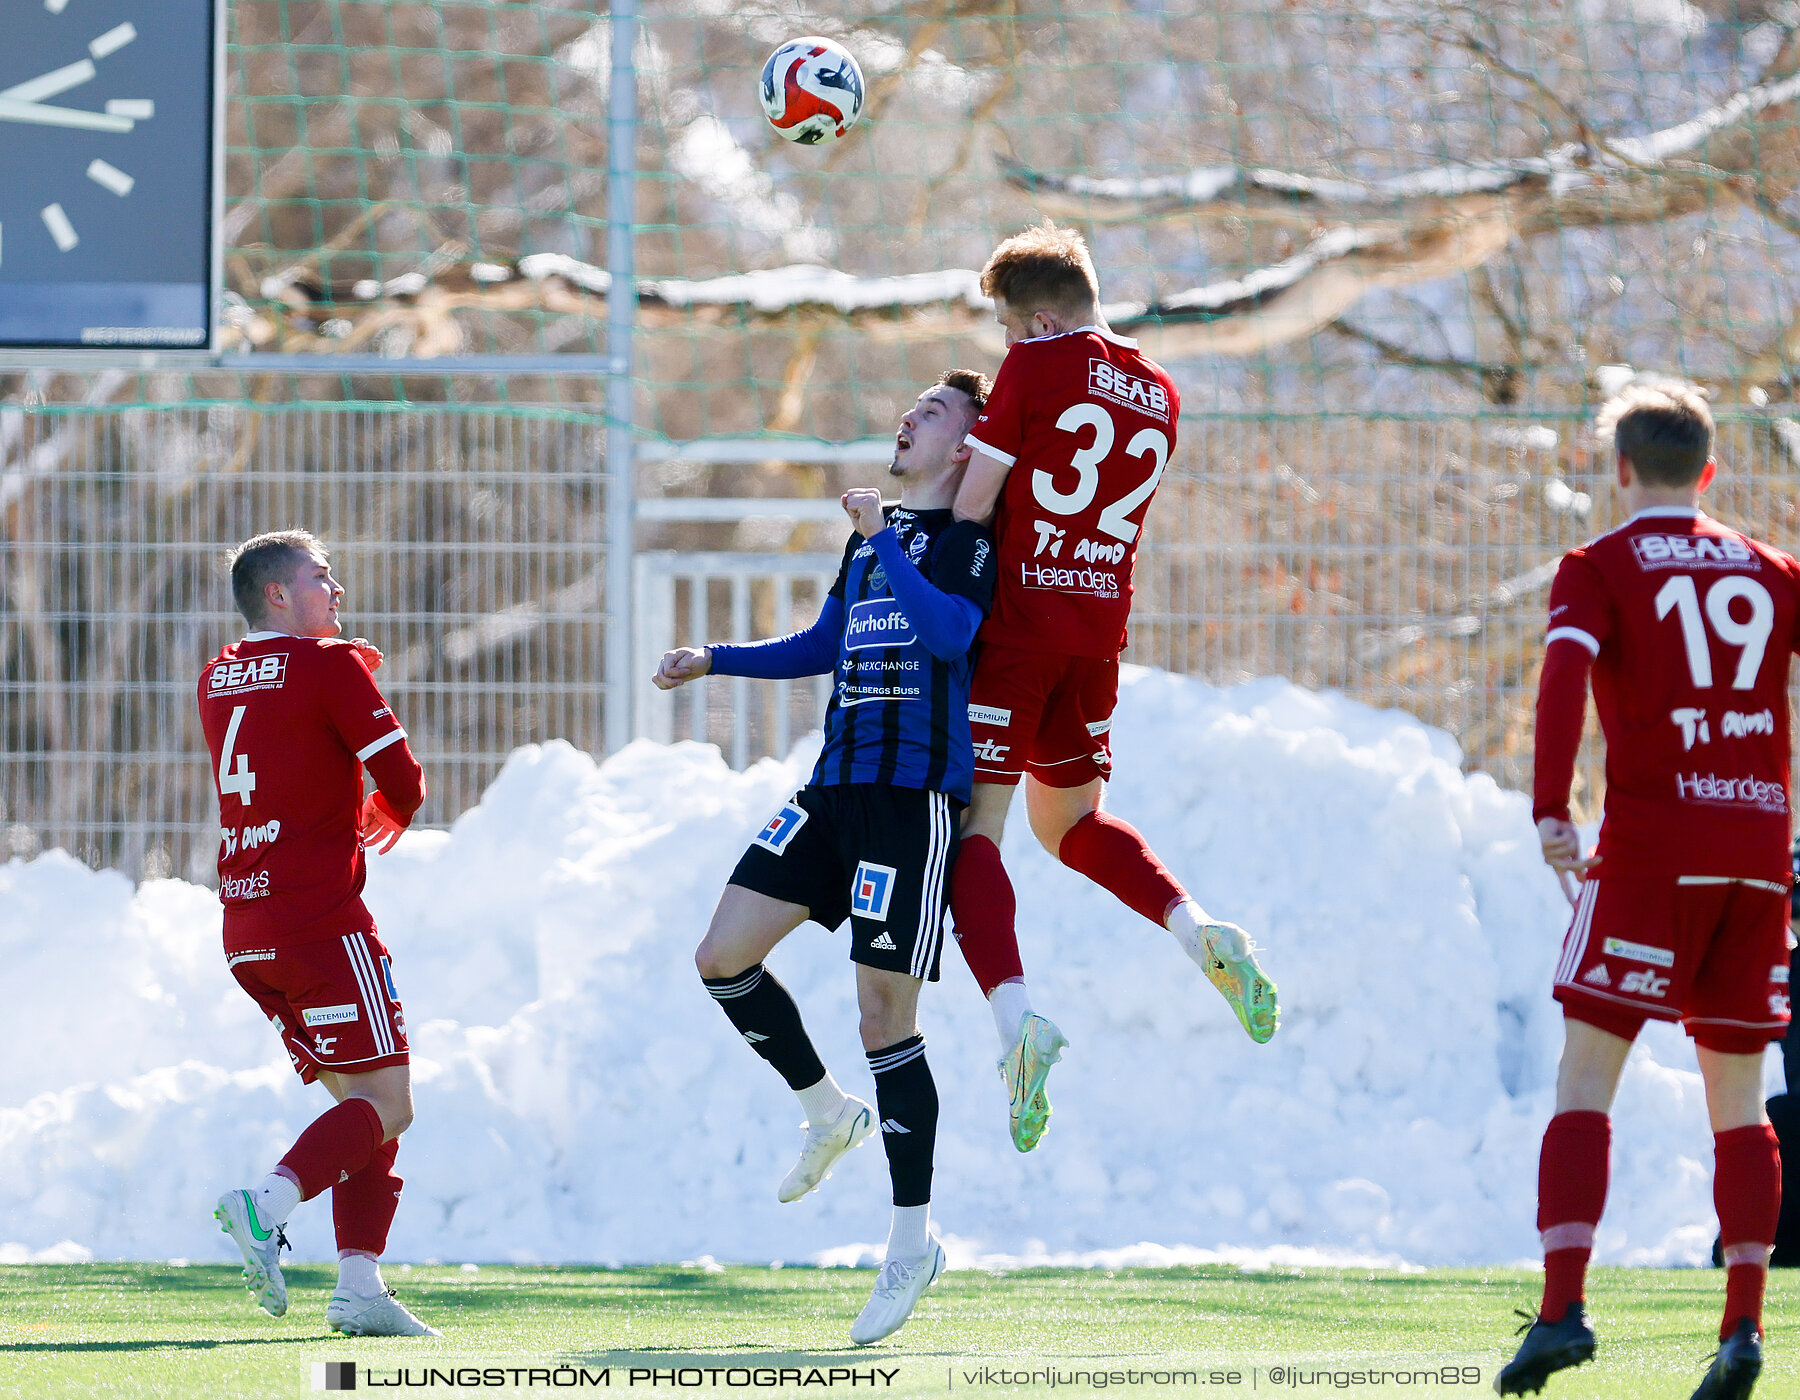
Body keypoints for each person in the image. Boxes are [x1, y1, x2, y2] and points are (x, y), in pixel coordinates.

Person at [655, 370, 997, 1346]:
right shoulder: (867, 535)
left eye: (934, 411)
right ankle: (825, 1107)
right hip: (832, 790)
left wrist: (886, 535)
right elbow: (826, 642)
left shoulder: (971, 541)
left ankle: (909, 1241)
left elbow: (948, 636)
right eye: (913, 405)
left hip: (910, 801)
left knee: (883, 1011)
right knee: (721, 954)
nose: (908, 416)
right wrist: (713, 657)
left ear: (967, 446)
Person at [948, 223, 1279, 1152]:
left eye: (1013, 330)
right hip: (1094, 635)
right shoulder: (1161, 391)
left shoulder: (1038, 366)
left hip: (1016, 631)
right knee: (1071, 825)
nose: (1008, 348)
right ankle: (1194, 925)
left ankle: (1017, 1027)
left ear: (1044, 319)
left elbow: (976, 502)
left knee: (978, 830)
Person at [1500, 384, 1792, 1399]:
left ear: (1619, 468)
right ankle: (1744, 1328)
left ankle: (1563, 1310)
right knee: (1741, 1104)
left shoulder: (1600, 566)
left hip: (1651, 849)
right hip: (1756, 851)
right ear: (1709, 471)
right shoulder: (1770, 569)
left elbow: (1563, 677)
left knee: (1585, 1083)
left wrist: (1552, 809)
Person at [199, 529, 438, 1338]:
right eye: (319, 577)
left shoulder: (216, 676)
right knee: (390, 1104)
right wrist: (387, 807)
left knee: (360, 1109)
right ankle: (265, 1207)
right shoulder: (332, 666)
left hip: (247, 928)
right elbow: (406, 783)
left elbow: (281, 718)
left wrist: (339, 666)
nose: (335, 589)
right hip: (321, 922)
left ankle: (359, 1286)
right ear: (277, 593)